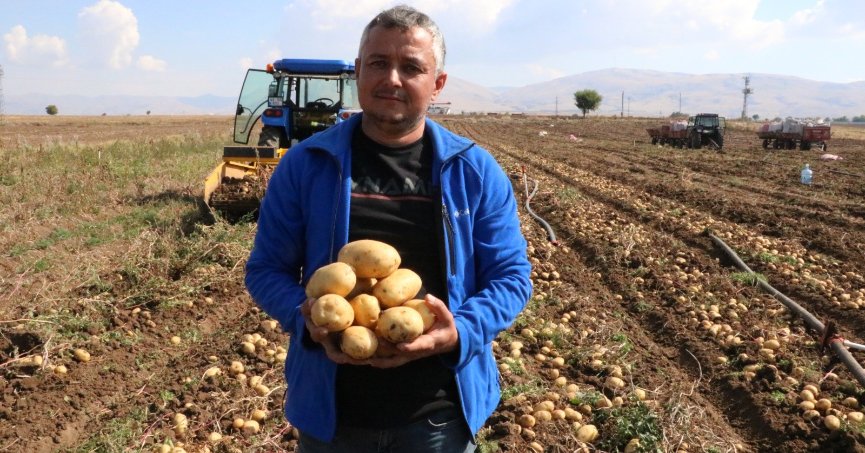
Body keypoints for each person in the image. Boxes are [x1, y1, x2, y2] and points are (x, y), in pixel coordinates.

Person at [245, 4, 532, 452]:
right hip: (333, 415)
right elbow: (265, 270)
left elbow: (512, 278)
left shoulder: (474, 171)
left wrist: (461, 331)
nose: (392, 79)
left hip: (439, 416)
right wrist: (306, 317)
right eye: (378, 63)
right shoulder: (305, 165)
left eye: (411, 67)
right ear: (359, 72)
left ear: (436, 84)